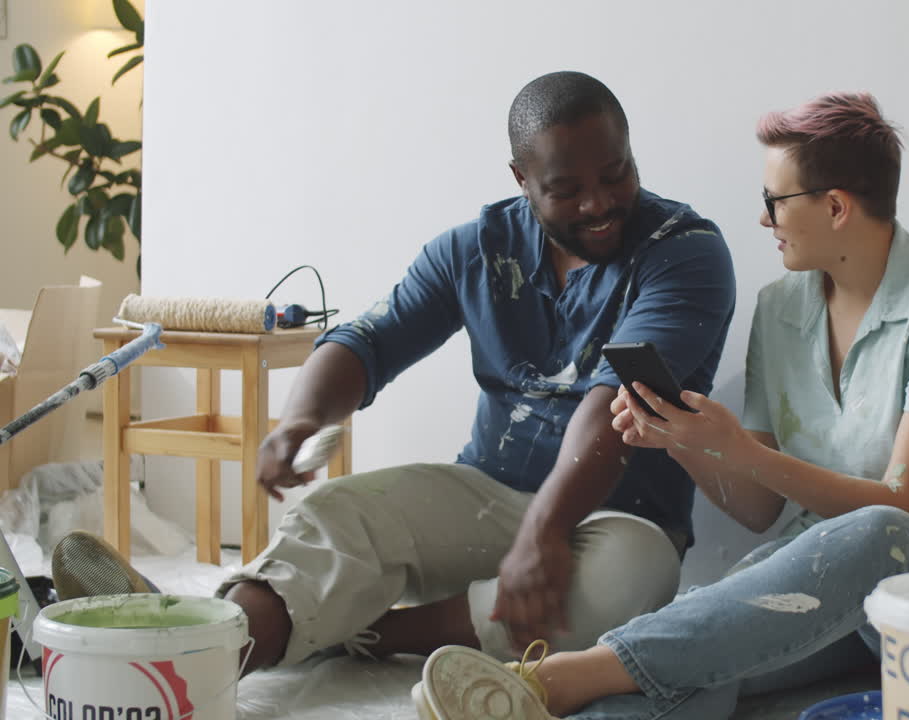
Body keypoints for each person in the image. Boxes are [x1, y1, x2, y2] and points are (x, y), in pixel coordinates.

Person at [54, 70, 737, 676]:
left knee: (628, 583)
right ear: (521, 180)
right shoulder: (474, 249)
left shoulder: (685, 251)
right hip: (485, 494)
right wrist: (301, 421)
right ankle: (195, 645)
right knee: (338, 513)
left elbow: (618, 399)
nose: (598, 203)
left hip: (623, 514)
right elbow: (369, 339)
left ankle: (356, 630)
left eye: (616, 173)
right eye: (567, 188)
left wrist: (546, 533)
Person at [413, 91, 909, 720]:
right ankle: (551, 701)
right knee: (694, 653)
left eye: (773, 201)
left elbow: (905, 506)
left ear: (835, 207)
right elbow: (758, 509)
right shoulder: (781, 310)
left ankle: (560, 674)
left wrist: (744, 451)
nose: (763, 219)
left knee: (874, 533)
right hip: (836, 590)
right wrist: (685, 441)